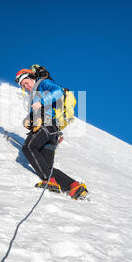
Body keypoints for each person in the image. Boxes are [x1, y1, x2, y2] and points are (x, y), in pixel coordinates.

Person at [15, 65, 88, 200]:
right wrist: (30, 120)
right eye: (23, 86)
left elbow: (58, 91)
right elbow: (41, 111)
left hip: (47, 126)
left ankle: (50, 183)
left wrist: (41, 102)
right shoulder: (36, 94)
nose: (26, 87)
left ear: (32, 78)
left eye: (26, 83)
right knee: (46, 167)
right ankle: (74, 186)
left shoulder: (42, 83)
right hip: (52, 131)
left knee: (29, 147)